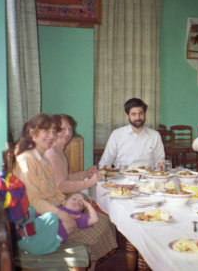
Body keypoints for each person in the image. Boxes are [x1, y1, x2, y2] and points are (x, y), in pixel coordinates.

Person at [12, 113, 118, 270]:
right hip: (40, 223)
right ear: (32, 133)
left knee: (100, 221)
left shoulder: (42, 158)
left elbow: (56, 189)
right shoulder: (27, 161)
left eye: (53, 131)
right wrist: (63, 214)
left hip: (53, 211)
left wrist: (65, 204)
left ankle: (89, 264)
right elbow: (33, 201)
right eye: (46, 131)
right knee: (99, 225)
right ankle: (83, 261)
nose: (51, 136)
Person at [98, 98, 165, 170]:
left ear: (145, 114)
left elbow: (160, 159)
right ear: (127, 115)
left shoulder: (155, 135)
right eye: (133, 114)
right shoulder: (117, 134)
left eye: (141, 113)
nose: (138, 117)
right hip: (121, 178)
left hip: (147, 178)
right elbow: (105, 160)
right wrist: (104, 171)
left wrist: (160, 164)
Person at [46, 114, 100, 194]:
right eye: (62, 129)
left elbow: (65, 178)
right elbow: (61, 186)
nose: (68, 133)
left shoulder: (58, 151)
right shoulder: (52, 154)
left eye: (70, 129)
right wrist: (90, 182)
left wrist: (86, 174)